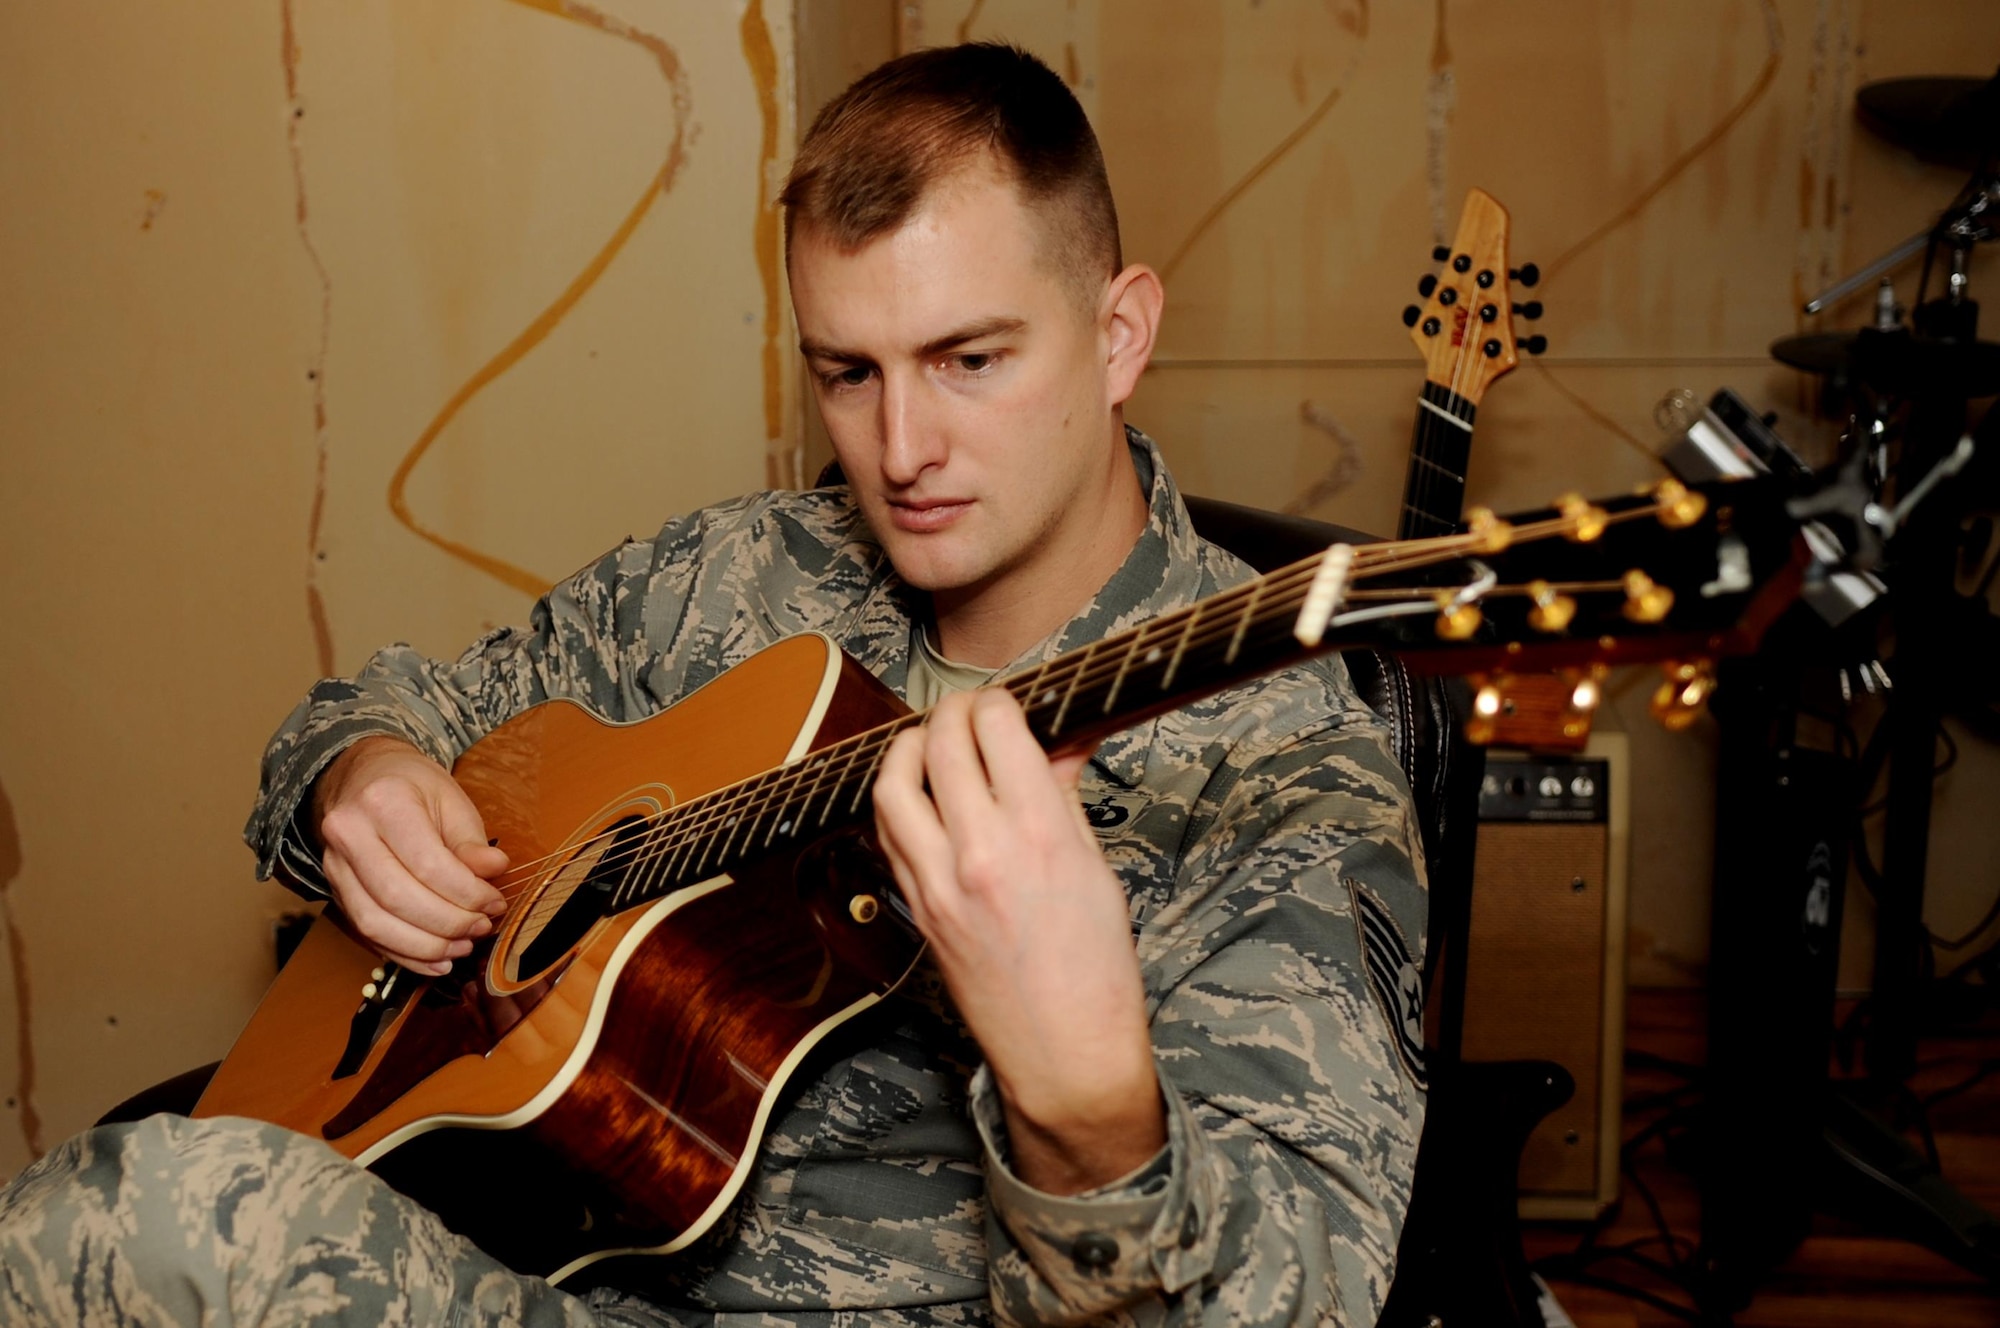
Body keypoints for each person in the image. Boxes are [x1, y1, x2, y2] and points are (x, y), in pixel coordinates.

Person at [0, 43, 1426, 1327]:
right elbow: (410, 703)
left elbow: (1298, 1297)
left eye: (968, 359)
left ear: (1120, 335)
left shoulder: (1279, 759)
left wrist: (1092, 1121)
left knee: (160, 1216)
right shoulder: (740, 579)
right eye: (846, 374)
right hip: (551, 1253)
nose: (904, 446)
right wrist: (359, 777)